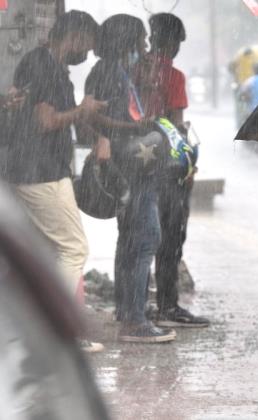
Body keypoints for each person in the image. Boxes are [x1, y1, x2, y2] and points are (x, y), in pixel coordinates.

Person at [7, 10, 106, 353]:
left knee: (48, 251)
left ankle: (33, 329)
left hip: (32, 168)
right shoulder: (45, 66)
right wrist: (82, 110)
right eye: (88, 45)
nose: (88, 54)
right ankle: (60, 334)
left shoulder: (42, 62)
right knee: (73, 248)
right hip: (42, 172)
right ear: (75, 35)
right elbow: (45, 122)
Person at [85, 14, 175, 343]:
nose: (146, 44)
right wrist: (134, 128)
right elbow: (98, 117)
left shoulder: (116, 70)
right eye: (141, 37)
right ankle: (135, 322)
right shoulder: (109, 72)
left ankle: (128, 310)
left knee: (131, 240)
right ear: (126, 40)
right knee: (145, 239)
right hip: (132, 167)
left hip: (134, 166)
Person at [136, 12, 209, 328]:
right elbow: (176, 126)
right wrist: (188, 165)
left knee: (137, 237)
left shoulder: (136, 68)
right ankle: (168, 306)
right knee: (170, 237)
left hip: (136, 163)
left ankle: (134, 307)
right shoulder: (173, 75)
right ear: (174, 41)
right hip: (167, 168)